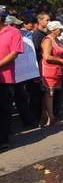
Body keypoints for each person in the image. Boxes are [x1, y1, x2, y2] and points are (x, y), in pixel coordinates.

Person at [0, 11, 24, 150]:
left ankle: (3, 139)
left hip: (6, 78)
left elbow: (14, 53)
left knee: (4, 109)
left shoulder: (13, 32)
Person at [40, 21, 63, 126]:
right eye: (60, 29)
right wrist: (62, 61)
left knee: (50, 94)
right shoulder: (48, 40)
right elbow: (47, 56)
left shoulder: (57, 40)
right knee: (50, 93)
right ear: (53, 30)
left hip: (57, 70)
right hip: (49, 70)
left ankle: (45, 117)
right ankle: (51, 118)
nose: (61, 31)